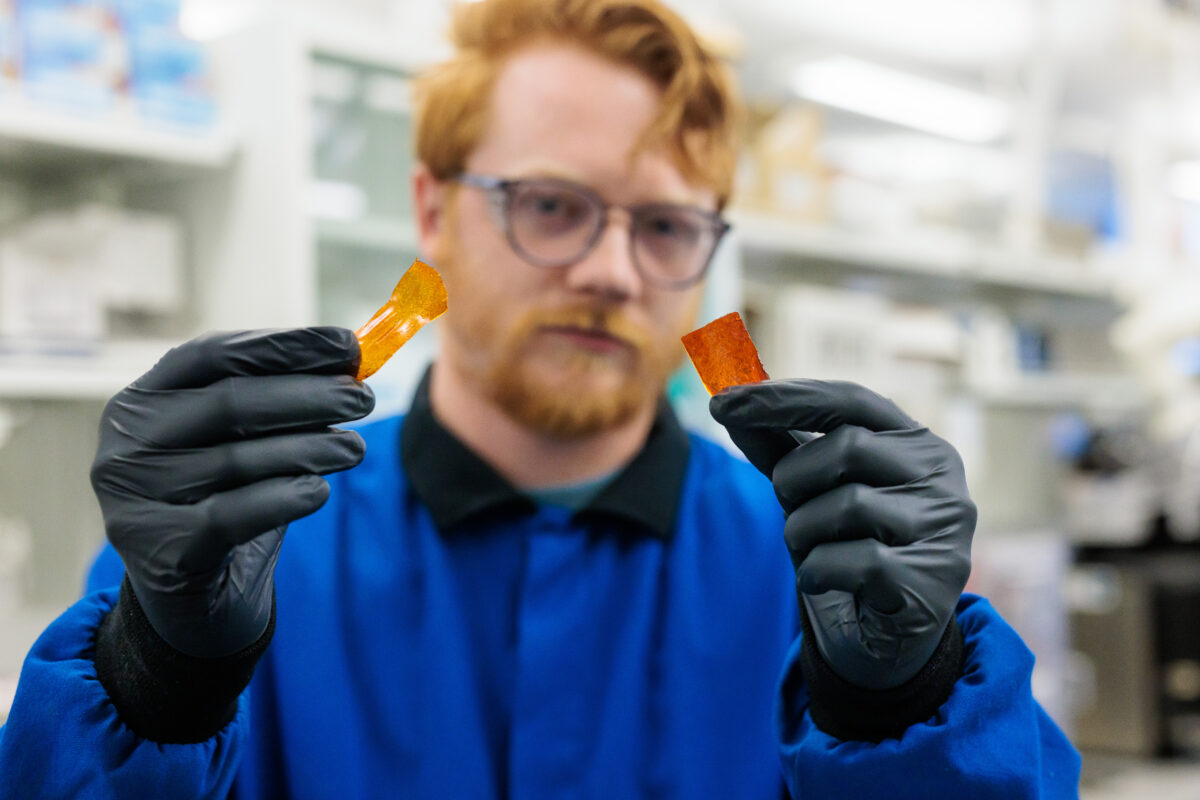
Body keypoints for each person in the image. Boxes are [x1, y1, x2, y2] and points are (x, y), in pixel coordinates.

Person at [0, 0, 1080, 797]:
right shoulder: (253, 540)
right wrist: (158, 675)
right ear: (431, 212)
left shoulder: (810, 563)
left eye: (664, 226)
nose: (612, 271)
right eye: (553, 205)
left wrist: (906, 701)